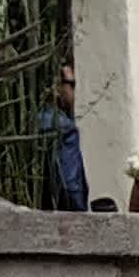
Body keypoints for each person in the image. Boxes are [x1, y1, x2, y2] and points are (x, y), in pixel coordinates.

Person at [38, 61, 88, 212]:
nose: (74, 91)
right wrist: (79, 210)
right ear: (56, 87)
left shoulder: (33, 121)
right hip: (63, 210)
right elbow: (70, 182)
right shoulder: (64, 128)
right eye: (71, 84)